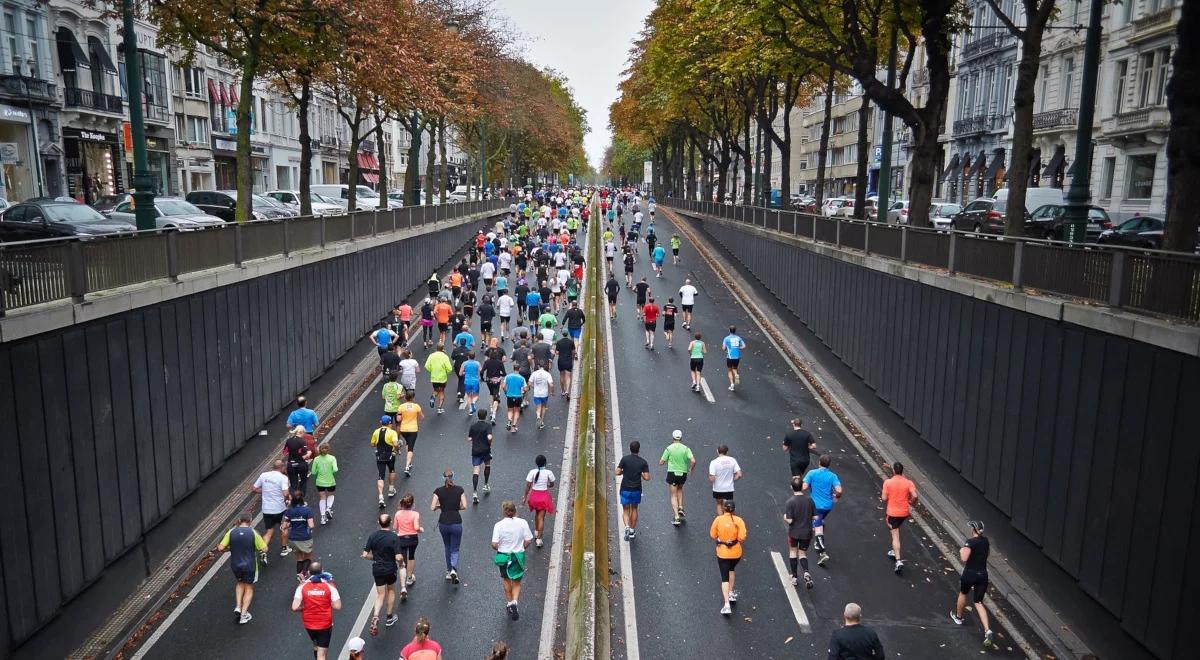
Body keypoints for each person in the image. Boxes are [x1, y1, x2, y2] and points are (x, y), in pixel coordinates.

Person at [951, 520, 996, 649]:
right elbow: (986, 554)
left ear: (973, 530)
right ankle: (987, 631)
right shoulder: (986, 541)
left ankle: (958, 617)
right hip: (983, 575)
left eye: (971, 527)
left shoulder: (970, 542)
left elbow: (964, 559)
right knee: (978, 602)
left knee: (963, 593)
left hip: (970, 574)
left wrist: (961, 550)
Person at [215, 515, 266, 625]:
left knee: (240, 582)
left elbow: (220, 548)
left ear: (238, 521)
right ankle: (243, 615)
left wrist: (231, 548)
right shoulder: (253, 532)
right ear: (250, 521)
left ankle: (238, 606)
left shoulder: (231, 532)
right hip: (250, 565)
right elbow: (264, 548)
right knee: (249, 587)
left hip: (235, 564)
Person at [362, 513, 404, 636]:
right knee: (391, 590)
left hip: (377, 569)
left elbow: (365, 554)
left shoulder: (373, 536)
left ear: (378, 522)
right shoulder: (393, 537)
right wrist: (401, 563)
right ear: (390, 523)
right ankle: (389, 617)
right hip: (390, 568)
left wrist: (374, 558)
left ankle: (375, 616)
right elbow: (398, 556)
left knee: (380, 594)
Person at [492, 500, 534, 620]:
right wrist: (522, 548)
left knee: (506, 579)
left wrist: (501, 547)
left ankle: (509, 602)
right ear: (515, 511)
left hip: (504, 556)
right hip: (518, 556)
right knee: (516, 581)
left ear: (503, 511)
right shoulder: (523, 523)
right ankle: (515, 602)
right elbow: (528, 540)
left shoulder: (498, 525)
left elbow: (494, 544)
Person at [291, 561, 341, 660]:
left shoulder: (302, 587)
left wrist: (305, 607)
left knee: (316, 645)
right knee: (321, 653)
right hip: (325, 624)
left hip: (309, 624)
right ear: (322, 571)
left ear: (308, 572)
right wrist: (325, 602)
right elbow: (337, 606)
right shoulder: (329, 586)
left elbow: (295, 607)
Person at [803, 454, 843, 567]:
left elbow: (804, 487)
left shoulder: (812, 473)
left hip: (815, 506)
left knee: (818, 527)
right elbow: (839, 490)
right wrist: (836, 497)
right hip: (828, 506)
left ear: (819, 462)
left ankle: (822, 552)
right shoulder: (833, 476)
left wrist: (796, 487)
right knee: (820, 522)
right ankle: (817, 539)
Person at [709, 499, 747, 615]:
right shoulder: (739, 520)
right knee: (732, 569)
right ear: (734, 510)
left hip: (723, 553)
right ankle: (731, 593)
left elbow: (712, 535)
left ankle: (726, 605)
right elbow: (742, 537)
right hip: (736, 553)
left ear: (724, 508)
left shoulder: (718, 520)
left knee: (724, 577)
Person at [881, 462, 918, 574]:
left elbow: (884, 498)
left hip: (892, 513)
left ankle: (898, 560)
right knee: (896, 530)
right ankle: (894, 550)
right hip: (904, 512)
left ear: (893, 471)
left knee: (895, 534)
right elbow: (915, 496)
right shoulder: (908, 483)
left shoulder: (888, 482)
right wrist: (911, 502)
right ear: (903, 471)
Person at [432, 470, 467, 583]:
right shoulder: (460, 490)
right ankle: (454, 569)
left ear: (443, 478)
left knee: (447, 546)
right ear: (453, 477)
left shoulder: (438, 491)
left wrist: (441, 506)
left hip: (443, 523)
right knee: (455, 548)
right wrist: (455, 507)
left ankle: (448, 571)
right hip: (456, 522)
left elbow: (432, 507)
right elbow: (464, 506)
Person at [252, 460, 290, 559]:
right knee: (284, 527)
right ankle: (284, 548)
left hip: (266, 509)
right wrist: (287, 499)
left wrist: (264, 490)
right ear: (282, 468)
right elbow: (285, 494)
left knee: (269, 531)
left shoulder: (263, 475)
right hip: (280, 509)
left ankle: (263, 551)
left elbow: (255, 489)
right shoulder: (283, 478)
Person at [783, 476, 816, 589]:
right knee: (802, 553)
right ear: (802, 487)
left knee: (793, 552)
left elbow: (790, 520)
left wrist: (785, 517)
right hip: (807, 532)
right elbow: (815, 517)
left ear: (792, 487)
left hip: (794, 533)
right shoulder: (809, 500)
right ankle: (806, 572)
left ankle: (795, 577)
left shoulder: (790, 502)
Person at [616, 440, 651, 541]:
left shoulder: (625, 459)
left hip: (625, 489)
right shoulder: (643, 462)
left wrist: (623, 471)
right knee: (634, 509)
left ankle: (626, 526)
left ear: (630, 449)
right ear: (639, 449)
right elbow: (647, 478)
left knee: (626, 509)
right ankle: (632, 530)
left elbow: (617, 472)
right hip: (636, 489)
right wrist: (641, 474)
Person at [660, 429, 696, 526]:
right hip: (683, 473)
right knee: (680, 489)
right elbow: (693, 460)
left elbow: (661, 462)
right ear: (681, 438)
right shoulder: (686, 448)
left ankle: (676, 517)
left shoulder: (669, 448)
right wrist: (690, 469)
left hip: (672, 473)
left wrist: (666, 461)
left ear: (673, 437)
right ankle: (680, 507)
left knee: (673, 495)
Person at [523, 454, 556, 547]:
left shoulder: (532, 472)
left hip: (534, 496)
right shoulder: (549, 473)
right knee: (541, 517)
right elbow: (552, 484)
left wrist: (525, 497)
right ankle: (539, 539)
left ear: (536, 463)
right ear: (545, 463)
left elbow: (528, 486)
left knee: (537, 514)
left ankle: (536, 531)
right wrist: (548, 485)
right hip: (543, 497)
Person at [392, 493, 423, 589]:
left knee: (403, 561)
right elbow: (416, 527)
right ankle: (409, 578)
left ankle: (403, 586)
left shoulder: (398, 514)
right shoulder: (415, 514)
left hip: (401, 539)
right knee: (411, 556)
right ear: (412, 504)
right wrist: (420, 529)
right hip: (413, 538)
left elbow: (395, 527)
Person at [284, 492, 316, 580]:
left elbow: (284, 525)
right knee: (308, 556)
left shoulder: (289, 511)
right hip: (305, 537)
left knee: (299, 558)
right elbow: (311, 525)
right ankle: (304, 574)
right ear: (302, 499)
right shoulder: (307, 510)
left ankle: (299, 575)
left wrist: (292, 523)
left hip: (293, 538)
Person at [371, 416, 401, 508]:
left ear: (381, 422)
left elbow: (372, 444)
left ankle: (380, 496)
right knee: (392, 470)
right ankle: (391, 489)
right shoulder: (392, 432)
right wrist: (397, 449)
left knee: (381, 475)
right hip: (390, 455)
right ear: (390, 423)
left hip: (380, 456)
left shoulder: (376, 431)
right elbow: (395, 443)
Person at [708, 444, 743, 516]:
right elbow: (739, 474)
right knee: (729, 505)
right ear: (727, 452)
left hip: (718, 488)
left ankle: (721, 521)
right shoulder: (732, 460)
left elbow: (712, 478)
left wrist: (710, 478)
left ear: (717, 451)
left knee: (719, 504)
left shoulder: (714, 462)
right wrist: (733, 479)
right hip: (729, 488)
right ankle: (730, 520)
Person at [467, 409, 494, 502]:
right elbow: (489, 437)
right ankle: (486, 484)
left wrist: (474, 439)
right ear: (485, 416)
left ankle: (475, 492)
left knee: (476, 470)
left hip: (476, 450)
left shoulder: (473, 426)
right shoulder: (488, 426)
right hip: (485, 450)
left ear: (478, 416)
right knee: (487, 465)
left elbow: (469, 438)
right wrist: (490, 443)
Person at [396, 390, 425, 477]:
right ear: (413, 398)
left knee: (408, 443)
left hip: (404, 429)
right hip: (413, 429)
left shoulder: (401, 407)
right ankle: (407, 466)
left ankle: (410, 462)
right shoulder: (416, 406)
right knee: (410, 448)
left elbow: (398, 419)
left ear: (405, 397)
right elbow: (422, 417)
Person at [310, 443, 338, 525]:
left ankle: (322, 517)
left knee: (322, 497)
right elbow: (335, 469)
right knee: (331, 495)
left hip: (320, 482)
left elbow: (313, 472)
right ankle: (328, 508)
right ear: (328, 450)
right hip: (330, 481)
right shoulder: (332, 458)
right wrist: (331, 473)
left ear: (319, 450)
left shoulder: (316, 459)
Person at [284, 425, 314, 495]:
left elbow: (285, 452)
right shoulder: (302, 441)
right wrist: (308, 453)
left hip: (291, 464)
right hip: (301, 464)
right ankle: (301, 499)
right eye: (304, 433)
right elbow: (306, 455)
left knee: (293, 483)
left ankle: (293, 499)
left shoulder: (289, 440)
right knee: (303, 481)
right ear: (302, 432)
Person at [425, 343, 453, 414]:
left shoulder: (431, 356)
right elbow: (449, 368)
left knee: (436, 389)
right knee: (442, 391)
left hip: (434, 377)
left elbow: (427, 366)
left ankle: (433, 397)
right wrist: (446, 372)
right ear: (442, 349)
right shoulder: (445, 356)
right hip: (443, 377)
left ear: (436, 348)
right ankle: (439, 408)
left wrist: (432, 370)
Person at [528, 362, 555, 429]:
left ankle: (538, 416)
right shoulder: (547, 374)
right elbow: (551, 385)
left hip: (537, 393)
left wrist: (534, 387)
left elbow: (529, 383)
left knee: (538, 406)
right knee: (543, 407)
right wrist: (552, 392)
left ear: (538, 366)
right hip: (544, 393)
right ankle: (542, 421)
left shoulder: (534, 373)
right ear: (545, 366)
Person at [721, 326, 746, 391]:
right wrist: (738, 348)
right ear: (735, 331)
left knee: (729, 370)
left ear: (729, 330)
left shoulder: (726, 338)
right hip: (737, 357)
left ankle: (732, 384)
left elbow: (723, 348)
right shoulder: (739, 338)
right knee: (734, 368)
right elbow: (744, 346)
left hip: (730, 357)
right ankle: (736, 374)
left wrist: (726, 348)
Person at [503, 367, 527, 433]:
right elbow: (525, 389)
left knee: (510, 410)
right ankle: (513, 426)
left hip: (509, 396)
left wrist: (506, 392)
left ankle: (509, 420)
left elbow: (503, 386)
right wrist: (523, 393)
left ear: (513, 369)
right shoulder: (522, 378)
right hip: (518, 396)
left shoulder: (507, 377)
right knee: (517, 411)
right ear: (519, 369)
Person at [554, 328, 576, 397]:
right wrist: (572, 357)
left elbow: (557, 352)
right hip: (568, 360)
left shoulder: (559, 342)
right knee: (568, 376)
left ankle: (563, 390)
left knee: (561, 376)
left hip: (561, 361)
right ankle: (567, 390)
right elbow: (573, 352)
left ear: (562, 334)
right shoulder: (571, 342)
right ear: (567, 334)